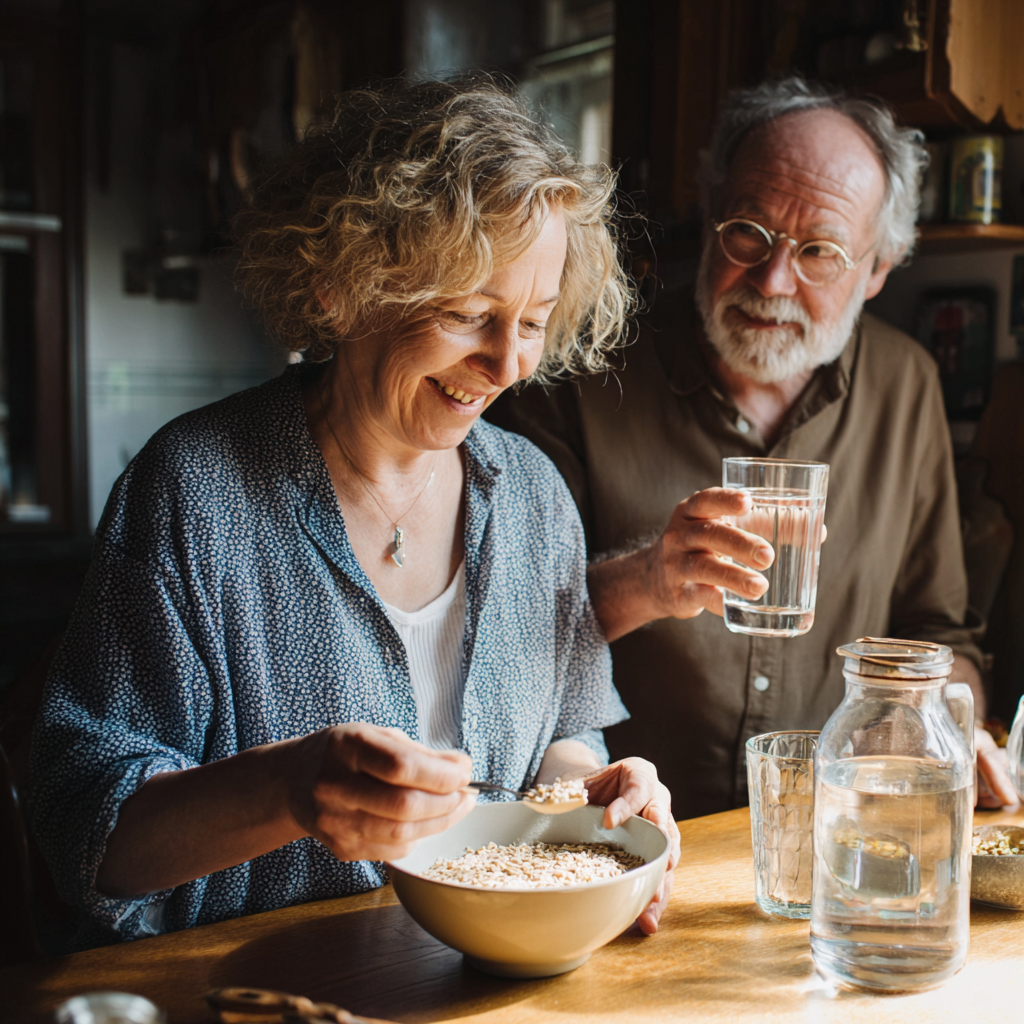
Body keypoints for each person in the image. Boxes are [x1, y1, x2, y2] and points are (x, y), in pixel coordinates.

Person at [30, 78, 679, 950]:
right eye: (468, 315)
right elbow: (86, 833)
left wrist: (598, 799)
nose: (507, 365)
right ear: (343, 285)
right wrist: (290, 790)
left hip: (486, 989)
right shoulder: (195, 492)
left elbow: (564, 736)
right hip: (253, 993)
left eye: (533, 321)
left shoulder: (532, 494)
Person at [488, 77, 1017, 819]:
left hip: (832, 834)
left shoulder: (906, 383)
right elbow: (499, 624)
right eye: (749, 232)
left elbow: (937, 632)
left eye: (820, 252)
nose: (773, 281)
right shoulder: (580, 368)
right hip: (618, 832)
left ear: (877, 271)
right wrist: (649, 579)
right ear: (708, 216)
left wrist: (950, 728)